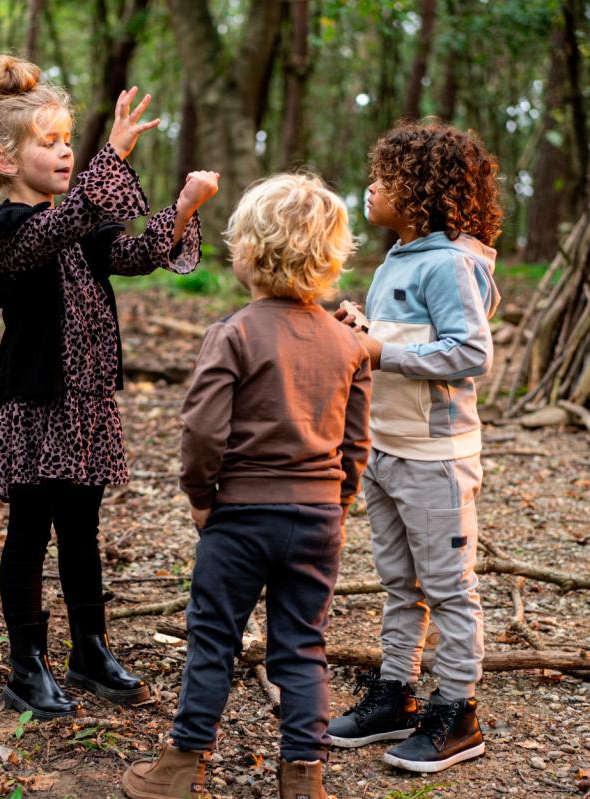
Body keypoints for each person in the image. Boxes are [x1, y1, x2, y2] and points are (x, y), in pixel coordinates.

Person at [0, 54, 219, 719]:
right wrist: (112, 155)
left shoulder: (78, 226)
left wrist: (183, 207)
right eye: (45, 143)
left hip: (87, 403)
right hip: (37, 402)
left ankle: (89, 648)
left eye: (66, 142)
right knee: (29, 529)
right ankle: (27, 663)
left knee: (82, 526)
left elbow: (131, 253)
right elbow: (56, 228)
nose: (62, 152)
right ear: (4, 160)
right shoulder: (11, 232)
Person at [122, 173, 371, 799]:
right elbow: (356, 440)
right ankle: (304, 778)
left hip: (238, 517)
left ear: (249, 254)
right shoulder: (350, 343)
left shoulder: (232, 334)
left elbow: (203, 431)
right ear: (331, 259)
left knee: (213, 637)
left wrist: (201, 497)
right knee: (303, 647)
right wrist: (338, 502)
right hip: (317, 521)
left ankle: (181, 768)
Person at [330, 120, 502, 774]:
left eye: (384, 178)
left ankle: (457, 710)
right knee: (400, 582)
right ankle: (396, 693)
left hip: (435, 457)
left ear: (423, 192)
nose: (370, 187)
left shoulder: (451, 262)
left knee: (448, 587)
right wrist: (364, 329)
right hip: (386, 450)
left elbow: (468, 352)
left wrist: (380, 349)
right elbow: (403, 345)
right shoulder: (397, 260)